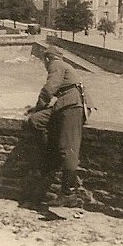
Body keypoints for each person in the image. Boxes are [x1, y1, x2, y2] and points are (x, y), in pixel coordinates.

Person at [23, 45, 93, 207]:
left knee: (68, 147)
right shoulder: (63, 65)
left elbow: (49, 89)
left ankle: (68, 193)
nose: (45, 65)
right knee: (36, 120)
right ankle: (51, 157)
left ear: (47, 59)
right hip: (63, 105)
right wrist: (37, 110)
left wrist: (39, 105)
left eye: (44, 61)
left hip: (73, 106)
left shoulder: (56, 64)